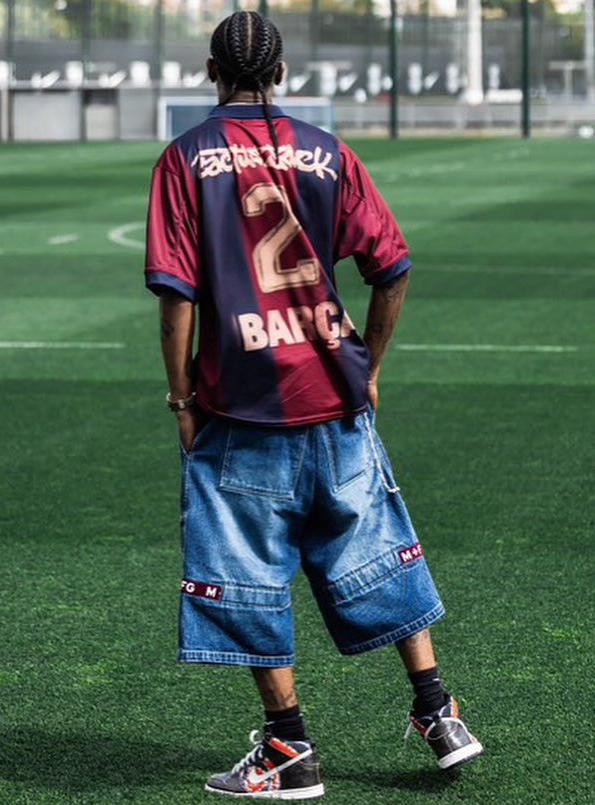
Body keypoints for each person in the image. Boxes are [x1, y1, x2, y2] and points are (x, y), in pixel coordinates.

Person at [144, 11, 483, 800]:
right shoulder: (328, 151)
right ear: (282, 73)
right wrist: (369, 366)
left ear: (209, 71)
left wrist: (180, 396)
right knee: (378, 548)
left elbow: (176, 294)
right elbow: (391, 267)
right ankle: (438, 713)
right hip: (333, 394)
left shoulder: (184, 157)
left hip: (242, 407)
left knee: (247, 574)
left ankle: (288, 748)